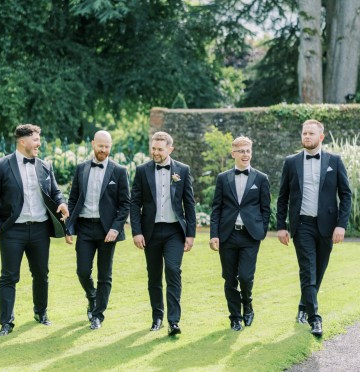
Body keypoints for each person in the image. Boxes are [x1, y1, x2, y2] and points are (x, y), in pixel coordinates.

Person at [0, 124, 69, 336]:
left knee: (41, 274)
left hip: (40, 229)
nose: (39, 144)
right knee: (9, 277)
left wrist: (62, 203)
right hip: (12, 231)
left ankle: (41, 313)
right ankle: (6, 322)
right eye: (36, 140)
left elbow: (56, 192)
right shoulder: (0, 165)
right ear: (23, 141)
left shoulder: (44, 166)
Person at [276, 119, 352, 337]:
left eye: (311, 133)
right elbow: (283, 197)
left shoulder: (334, 161)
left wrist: (341, 225)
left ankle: (303, 305)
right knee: (307, 270)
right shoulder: (291, 162)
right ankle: (314, 318)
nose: (306, 137)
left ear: (321, 136)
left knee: (318, 271)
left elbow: (345, 195)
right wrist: (281, 226)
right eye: (304, 133)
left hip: (327, 227)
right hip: (302, 225)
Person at [130, 131, 196, 336]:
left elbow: (189, 203)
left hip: (174, 231)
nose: (155, 152)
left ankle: (173, 321)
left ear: (170, 149)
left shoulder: (182, 170)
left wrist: (190, 234)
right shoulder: (142, 171)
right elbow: (135, 203)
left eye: (160, 149)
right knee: (154, 275)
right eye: (153, 148)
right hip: (150, 231)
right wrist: (136, 232)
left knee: (173, 271)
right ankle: (157, 317)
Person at [66, 130, 130, 329]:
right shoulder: (81, 168)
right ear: (93, 144)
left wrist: (115, 228)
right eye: (100, 146)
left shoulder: (119, 171)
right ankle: (92, 296)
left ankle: (98, 315)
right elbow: (73, 199)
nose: (103, 150)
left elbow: (125, 204)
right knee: (82, 271)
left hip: (107, 231)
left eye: (107, 147)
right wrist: (68, 227)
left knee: (105, 275)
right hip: (84, 227)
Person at [209, 136, 271, 331]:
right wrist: (214, 234)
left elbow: (266, 209)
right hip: (227, 235)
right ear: (233, 153)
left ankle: (248, 306)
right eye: (241, 151)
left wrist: (261, 231)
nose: (245, 155)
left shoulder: (261, 178)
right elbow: (216, 208)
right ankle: (235, 317)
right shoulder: (223, 178)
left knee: (245, 276)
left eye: (248, 151)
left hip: (250, 236)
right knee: (229, 278)